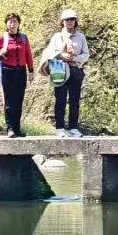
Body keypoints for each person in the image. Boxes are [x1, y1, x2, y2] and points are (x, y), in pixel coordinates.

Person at [41, 9, 90, 138]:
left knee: (74, 100)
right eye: (67, 20)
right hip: (58, 68)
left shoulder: (81, 37)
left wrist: (73, 58)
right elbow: (49, 53)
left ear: (75, 21)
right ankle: (60, 128)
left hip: (75, 70)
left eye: (72, 20)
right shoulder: (57, 36)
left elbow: (86, 55)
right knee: (60, 99)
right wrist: (61, 55)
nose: (69, 22)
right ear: (62, 22)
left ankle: (74, 127)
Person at [0, 13, 35, 137]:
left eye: (14, 21)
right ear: (6, 24)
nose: (12, 24)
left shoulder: (24, 38)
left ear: (18, 23)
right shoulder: (3, 37)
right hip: (7, 70)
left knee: (19, 101)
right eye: (10, 22)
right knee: (9, 101)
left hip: (21, 71)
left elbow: (28, 54)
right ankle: (10, 129)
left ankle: (17, 128)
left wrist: (31, 70)